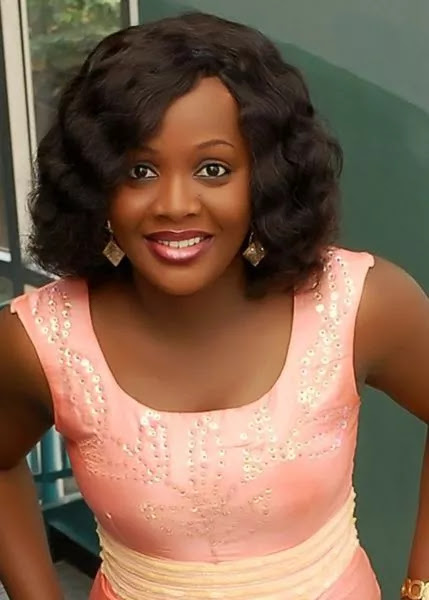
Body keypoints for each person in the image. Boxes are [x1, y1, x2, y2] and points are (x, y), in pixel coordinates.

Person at [0, 11, 428, 600]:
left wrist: (421, 586)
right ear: (96, 183)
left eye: (213, 168)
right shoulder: (40, 342)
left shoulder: (360, 305)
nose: (176, 203)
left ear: (266, 178)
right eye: (140, 170)